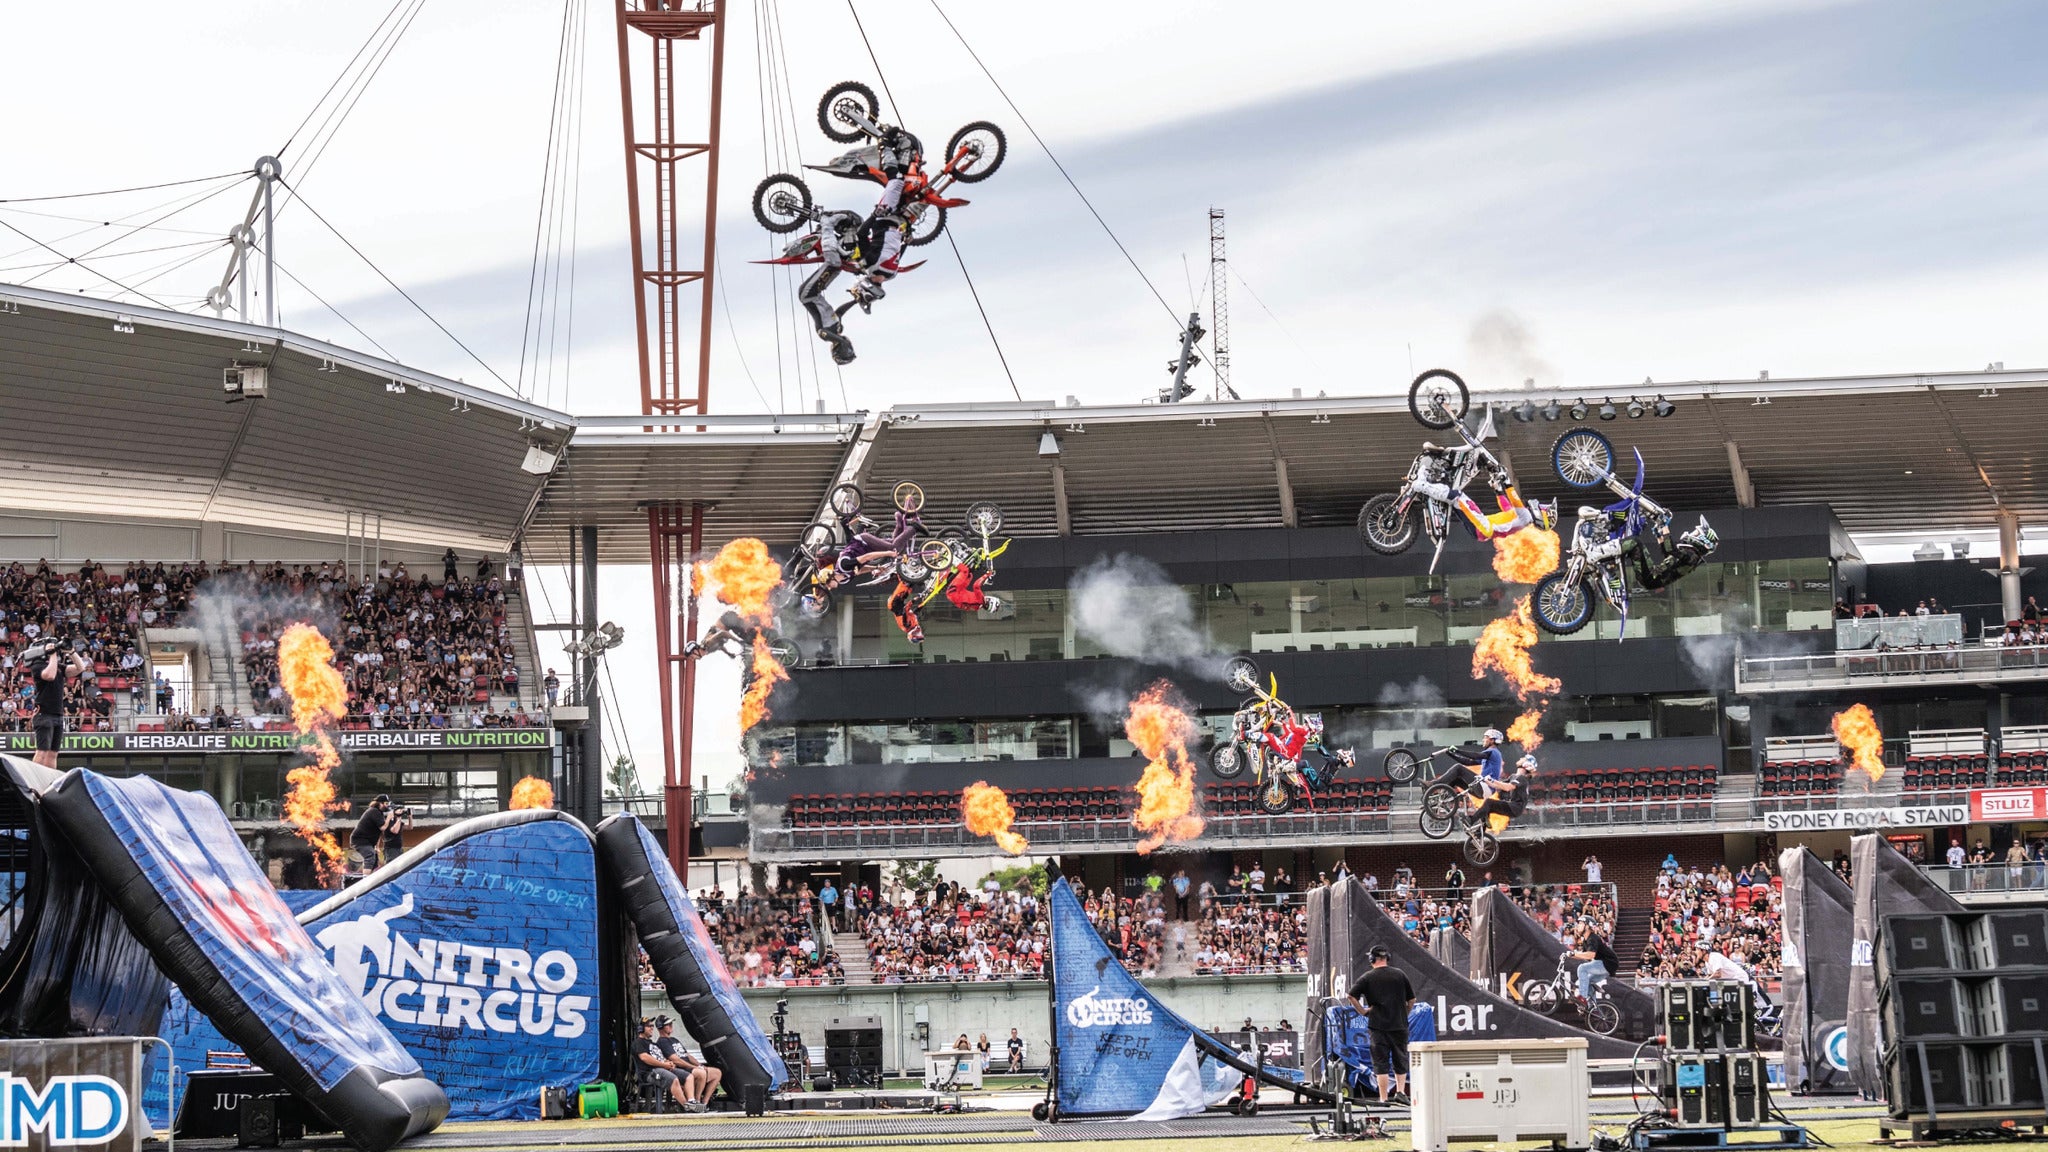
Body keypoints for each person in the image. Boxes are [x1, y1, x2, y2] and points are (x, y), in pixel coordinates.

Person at [1343, 945, 1414, 1106]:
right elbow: (1412, 1000)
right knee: (1400, 1058)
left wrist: (1363, 1011)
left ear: (1372, 960)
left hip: (1377, 1025)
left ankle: (1383, 1097)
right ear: (1387, 958)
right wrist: (1404, 1014)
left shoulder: (1367, 977)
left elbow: (1351, 995)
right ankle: (1400, 1092)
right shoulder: (1400, 974)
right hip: (1399, 1024)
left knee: (1380, 1062)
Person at [28, 635, 89, 769]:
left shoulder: (59, 666)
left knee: (53, 753)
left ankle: (50, 782)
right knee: (42, 751)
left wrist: (71, 652)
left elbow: (80, 668)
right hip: (44, 713)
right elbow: (49, 676)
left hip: (57, 714)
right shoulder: (37, 665)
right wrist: (52, 654)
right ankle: (34, 784)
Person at [656, 1017, 720, 1110]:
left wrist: (699, 1065)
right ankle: (697, 1103)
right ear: (660, 1027)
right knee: (700, 1073)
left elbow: (687, 1055)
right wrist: (695, 1067)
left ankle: (705, 1103)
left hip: (690, 1067)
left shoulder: (674, 1039)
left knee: (717, 1073)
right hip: (681, 1069)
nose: (671, 1026)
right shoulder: (662, 1042)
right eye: (667, 1025)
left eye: (671, 1024)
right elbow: (676, 1060)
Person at [632, 1019, 693, 1111]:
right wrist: (664, 1065)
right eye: (649, 1026)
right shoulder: (638, 1042)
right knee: (674, 1079)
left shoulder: (653, 1043)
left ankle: (692, 1101)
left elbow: (660, 1057)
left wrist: (668, 1062)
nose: (652, 1028)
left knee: (688, 1076)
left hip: (662, 1069)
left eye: (652, 1026)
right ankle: (687, 1107)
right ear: (641, 1029)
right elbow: (645, 1058)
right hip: (650, 1073)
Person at [1440, 729, 1506, 794]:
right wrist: (1451, 754)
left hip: (1485, 787)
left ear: (1492, 740)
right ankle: (1441, 798)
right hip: (1485, 790)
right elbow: (1468, 762)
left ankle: (1434, 783)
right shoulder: (1489, 755)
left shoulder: (1493, 751)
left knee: (1458, 767)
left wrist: (1457, 751)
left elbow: (1475, 756)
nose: (1483, 740)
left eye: (1485, 738)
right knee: (1456, 780)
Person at [1566, 925, 1620, 1004]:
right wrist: (1571, 955)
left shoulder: (1592, 938)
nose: (1577, 926)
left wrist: (1573, 954)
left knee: (1582, 968)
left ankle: (1582, 997)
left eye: (1580, 923)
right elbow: (1584, 955)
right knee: (1588, 981)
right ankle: (1593, 1009)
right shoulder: (1586, 940)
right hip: (1609, 965)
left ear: (1587, 926)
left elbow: (1591, 955)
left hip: (1607, 962)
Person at [351, 795, 392, 873]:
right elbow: (383, 828)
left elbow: (378, 832)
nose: (387, 805)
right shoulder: (374, 811)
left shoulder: (379, 813)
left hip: (368, 841)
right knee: (370, 856)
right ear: (380, 803)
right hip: (360, 840)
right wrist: (389, 818)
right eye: (386, 803)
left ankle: (368, 875)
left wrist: (377, 847)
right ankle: (365, 880)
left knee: (374, 860)